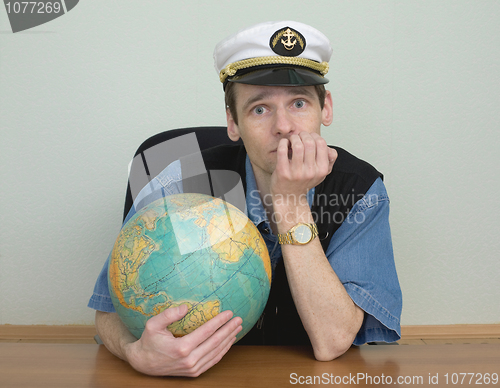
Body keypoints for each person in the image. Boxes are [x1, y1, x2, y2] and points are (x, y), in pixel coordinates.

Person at [88, 21, 402, 377]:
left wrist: (290, 204)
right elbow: (107, 312)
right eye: (259, 109)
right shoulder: (178, 181)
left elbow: (333, 341)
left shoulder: (360, 191)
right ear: (232, 122)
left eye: (299, 103)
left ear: (325, 108)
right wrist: (134, 352)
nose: (283, 126)